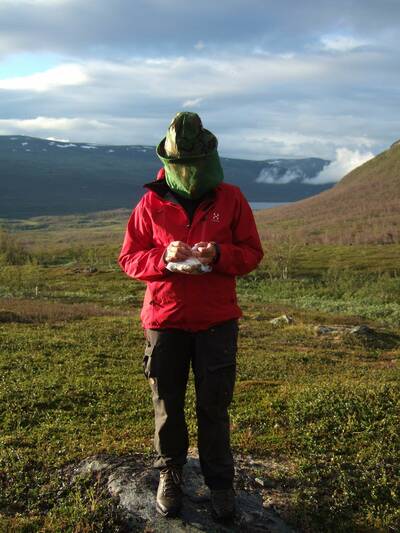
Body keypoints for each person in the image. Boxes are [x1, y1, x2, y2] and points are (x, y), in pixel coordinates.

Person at [118, 112, 263, 520]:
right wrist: (162, 258)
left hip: (216, 320)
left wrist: (219, 255)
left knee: (214, 406)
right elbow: (129, 258)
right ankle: (171, 474)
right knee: (167, 403)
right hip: (164, 319)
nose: (190, 172)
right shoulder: (151, 202)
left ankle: (221, 486)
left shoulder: (231, 198)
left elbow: (252, 253)